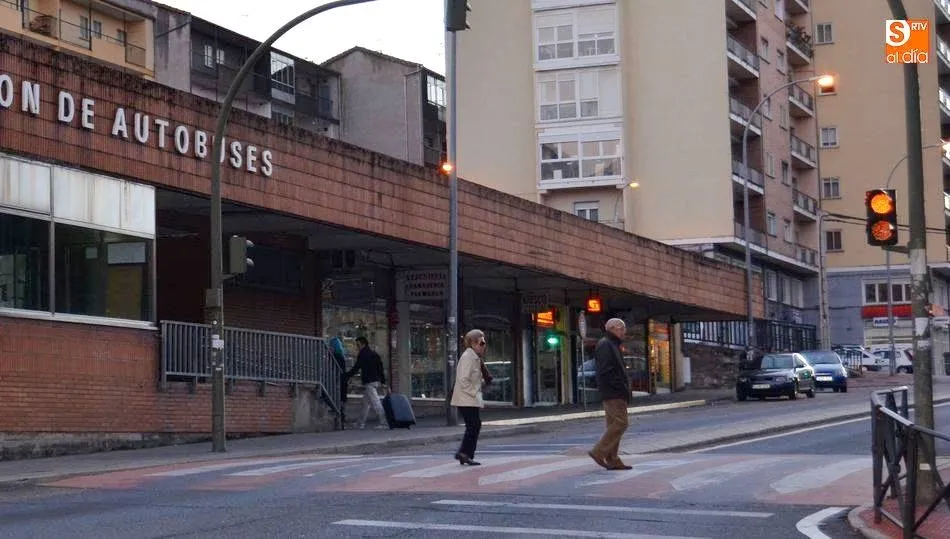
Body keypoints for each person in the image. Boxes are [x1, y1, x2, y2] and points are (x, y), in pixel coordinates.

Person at [588, 318, 633, 471]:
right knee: (621, 423)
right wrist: (620, 388)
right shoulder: (606, 344)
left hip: (613, 391)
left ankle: (613, 459)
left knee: (613, 424)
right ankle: (599, 452)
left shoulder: (611, 344)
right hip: (614, 392)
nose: (624, 332)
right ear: (614, 328)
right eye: (622, 329)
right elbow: (606, 371)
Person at [451, 329, 486, 466]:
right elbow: (463, 379)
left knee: (474, 425)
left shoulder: (474, 357)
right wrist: (475, 392)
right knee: (474, 425)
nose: (484, 345)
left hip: (468, 398)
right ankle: (464, 453)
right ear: (473, 343)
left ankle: (465, 454)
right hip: (466, 398)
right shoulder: (468, 357)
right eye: (482, 342)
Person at [345, 336, 388, 430]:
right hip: (374, 380)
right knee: (366, 404)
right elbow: (380, 368)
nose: (357, 346)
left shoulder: (363, 353)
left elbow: (357, 367)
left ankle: (385, 422)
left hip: (369, 381)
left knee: (375, 402)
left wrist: (347, 375)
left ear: (363, 343)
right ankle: (360, 423)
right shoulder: (374, 354)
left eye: (358, 344)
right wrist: (383, 381)